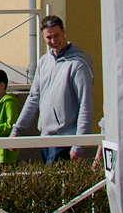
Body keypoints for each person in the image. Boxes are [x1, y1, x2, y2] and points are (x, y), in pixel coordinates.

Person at [10, 15, 94, 163]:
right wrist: (16, 130)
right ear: (43, 37)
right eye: (49, 38)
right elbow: (34, 97)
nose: (54, 41)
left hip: (66, 140)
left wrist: (78, 144)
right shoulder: (44, 61)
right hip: (45, 138)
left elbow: (85, 105)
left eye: (57, 36)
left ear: (64, 31)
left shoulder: (78, 65)